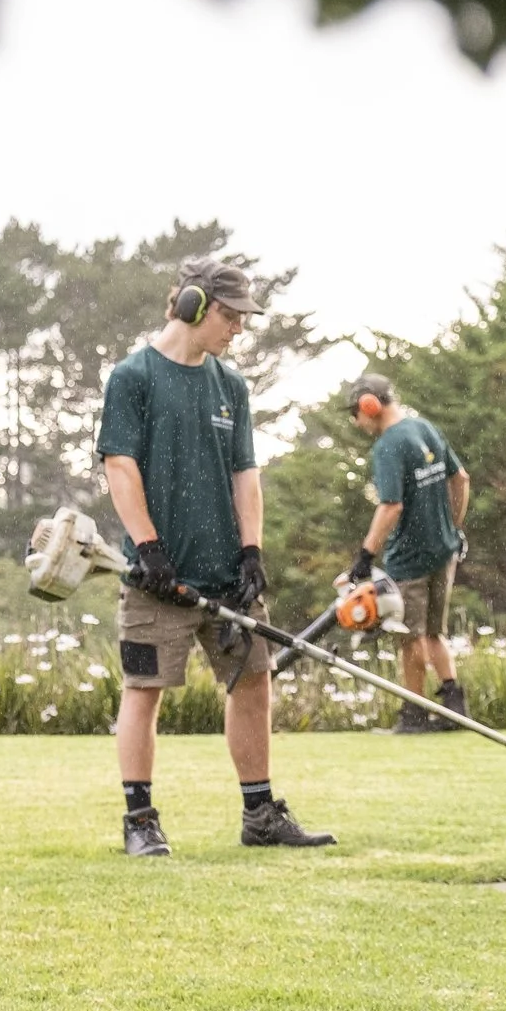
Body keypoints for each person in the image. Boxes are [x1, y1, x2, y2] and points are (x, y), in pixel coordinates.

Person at [96, 257, 335, 857]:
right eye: (230, 316)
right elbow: (119, 466)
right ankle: (140, 821)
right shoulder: (134, 377)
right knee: (143, 689)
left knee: (254, 682)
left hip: (227, 576)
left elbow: (244, 474)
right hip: (158, 579)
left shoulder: (230, 386)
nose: (239, 330)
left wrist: (251, 551)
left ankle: (261, 815)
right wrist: (147, 545)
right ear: (192, 306)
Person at [343, 373, 471, 732]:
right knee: (434, 632)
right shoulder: (425, 428)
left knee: (409, 636)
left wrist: (365, 555)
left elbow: (391, 506)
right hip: (444, 550)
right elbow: (461, 479)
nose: (356, 420)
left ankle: (414, 716)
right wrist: (454, 528)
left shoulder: (388, 446)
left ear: (370, 405)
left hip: (410, 558)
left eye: (356, 411)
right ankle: (455, 707)